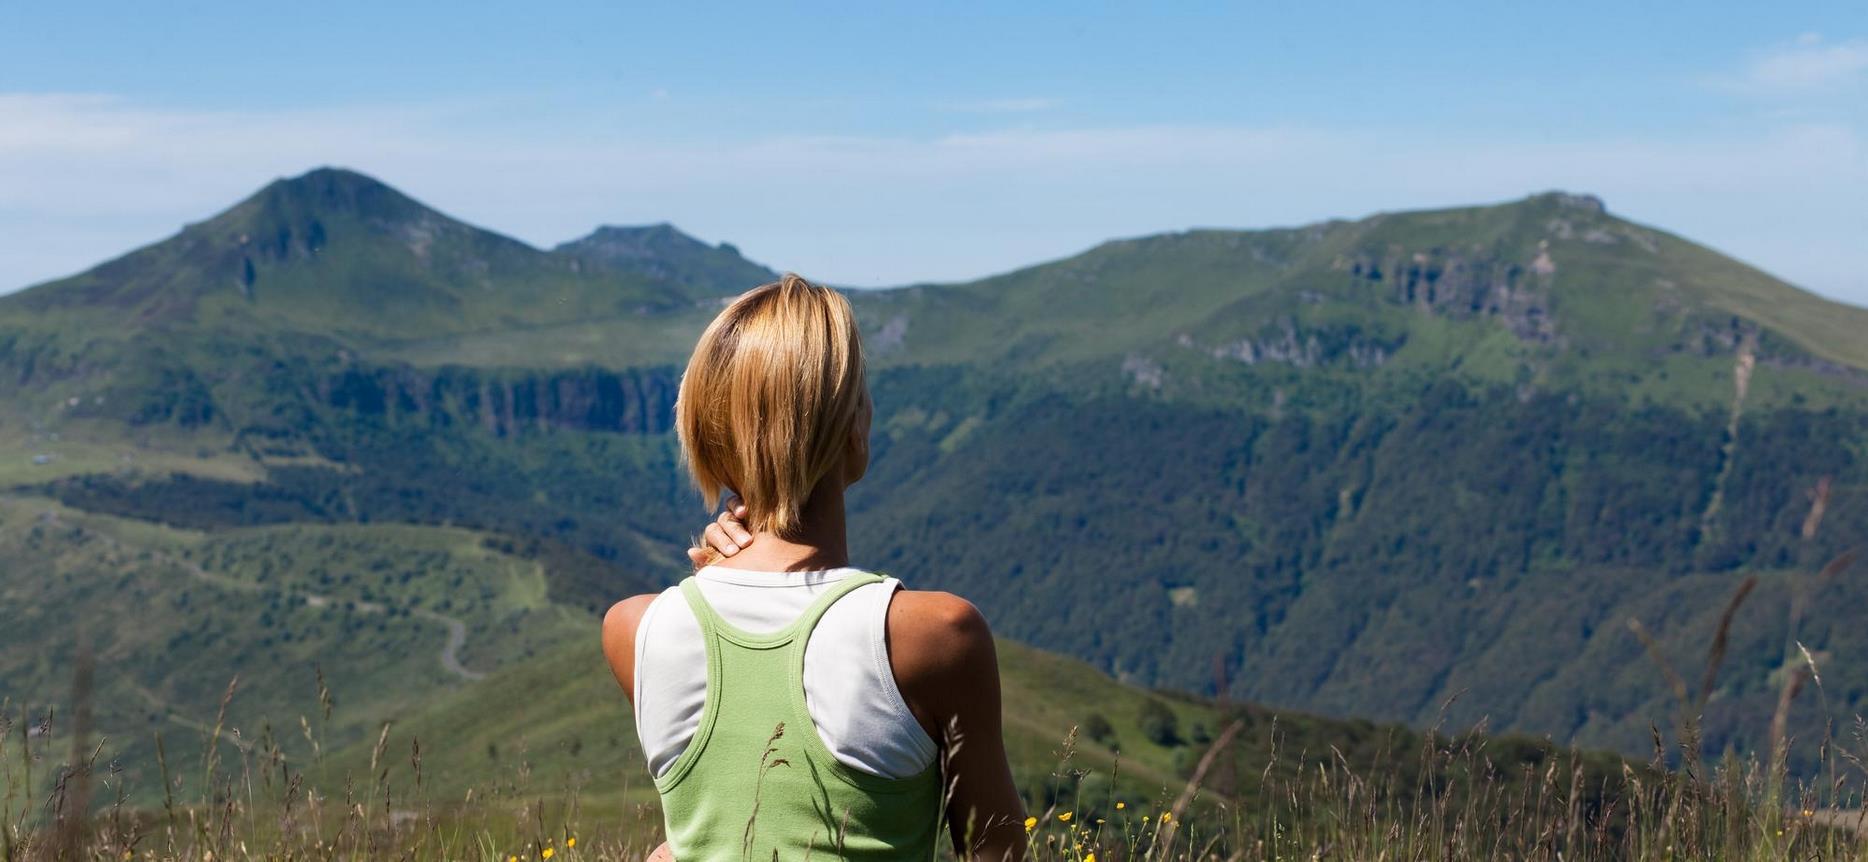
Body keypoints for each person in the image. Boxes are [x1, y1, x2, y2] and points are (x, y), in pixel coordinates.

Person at [601, 274, 1028, 861]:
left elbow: (702, 839)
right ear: (851, 426)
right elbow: (995, 849)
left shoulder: (633, 630)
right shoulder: (936, 636)